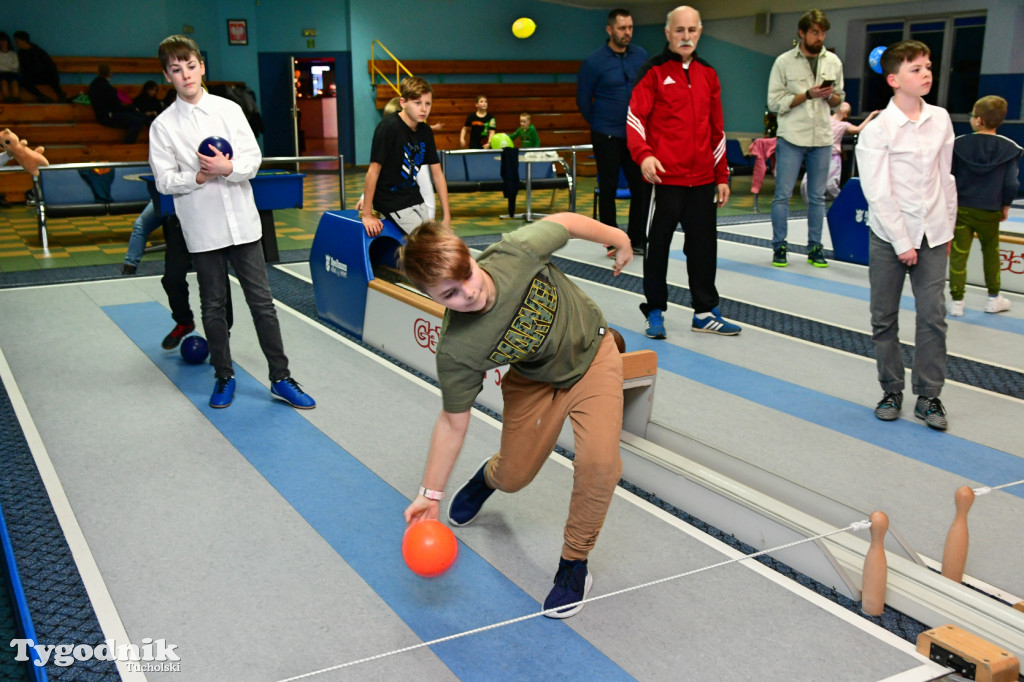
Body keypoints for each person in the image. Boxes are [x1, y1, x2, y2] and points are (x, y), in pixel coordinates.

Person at [398, 212, 632, 619]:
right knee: (514, 477)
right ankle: (489, 477)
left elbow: (566, 222)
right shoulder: (458, 350)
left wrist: (618, 237)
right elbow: (453, 421)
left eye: (467, 274)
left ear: (470, 257)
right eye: (449, 294)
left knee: (600, 463)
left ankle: (574, 564)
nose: (468, 293)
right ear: (433, 299)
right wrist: (429, 494)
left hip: (594, 356)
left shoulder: (516, 253)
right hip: (533, 381)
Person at [149, 34, 315, 410]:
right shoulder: (163, 126)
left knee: (262, 302)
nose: (186, 75)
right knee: (213, 305)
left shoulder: (229, 109)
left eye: (191, 66)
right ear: (167, 75)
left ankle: (281, 377)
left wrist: (229, 168)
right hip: (203, 228)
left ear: (202, 66)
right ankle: (224, 376)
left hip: (242, 224)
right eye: (176, 70)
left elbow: (252, 159)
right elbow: (163, 180)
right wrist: (199, 177)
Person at [855, 40, 956, 431]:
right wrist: (902, 242)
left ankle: (929, 396)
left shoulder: (942, 119)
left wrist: (945, 225)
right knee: (884, 318)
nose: (926, 73)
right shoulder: (878, 130)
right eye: (916, 68)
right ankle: (892, 389)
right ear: (894, 79)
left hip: (932, 233)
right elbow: (878, 194)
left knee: (933, 316)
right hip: (889, 237)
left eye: (928, 65)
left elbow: (946, 178)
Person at [626, 5, 740, 340]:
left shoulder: (708, 74)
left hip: (703, 179)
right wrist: (644, 156)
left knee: (704, 247)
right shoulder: (653, 72)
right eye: (680, 30)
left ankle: (705, 312)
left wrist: (722, 175)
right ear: (668, 33)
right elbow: (635, 118)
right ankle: (656, 311)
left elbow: (716, 129)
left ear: (700, 31)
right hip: (664, 180)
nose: (686, 36)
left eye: (692, 30)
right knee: (657, 247)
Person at [766, 10, 845, 268]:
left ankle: (815, 247)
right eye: (814, 32)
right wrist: (807, 95)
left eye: (822, 33)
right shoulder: (784, 62)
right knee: (782, 195)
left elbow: (839, 99)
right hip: (791, 136)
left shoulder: (833, 61)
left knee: (817, 196)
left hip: (821, 137)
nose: (819, 37)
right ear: (802, 33)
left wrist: (829, 96)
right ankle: (780, 247)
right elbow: (775, 102)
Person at [577, 8, 649, 257]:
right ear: (610, 30)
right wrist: (600, 122)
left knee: (641, 187)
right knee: (607, 187)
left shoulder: (641, 56)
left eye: (630, 28)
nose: (627, 33)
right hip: (606, 133)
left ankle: (638, 238)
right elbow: (584, 100)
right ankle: (611, 239)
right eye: (622, 28)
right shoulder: (594, 62)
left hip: (635, 135)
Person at [948, 95, 1022, 317]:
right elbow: (1011, 183)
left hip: (962, 209)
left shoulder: (959, 144)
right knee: (991, 252)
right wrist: (1006, 205)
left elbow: (949, 176)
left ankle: (957, 302)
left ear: (978, 120)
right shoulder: (1010, 148)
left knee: (959, 254)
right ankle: (993, 299)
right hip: (990, 210)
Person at [361, 77, 450, 236]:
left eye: (427, 103)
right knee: (427, 242)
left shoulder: (425, 132)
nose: (423, 109)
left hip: (413, 197)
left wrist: (447, 216)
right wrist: (367, 214)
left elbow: (437, 174)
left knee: (435, 238)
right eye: (417, 103)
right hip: (390, 201)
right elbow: (373, 172)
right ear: (403, 102)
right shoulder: (388, 128)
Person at [356, 96, 436, 220]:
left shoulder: (416, 153)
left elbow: (426, 190)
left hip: (413, 206)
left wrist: (428, 217)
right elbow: (381, 175)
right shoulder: (389, 137)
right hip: (395, 203)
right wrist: (364, 198)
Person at [800, 102, 878, 203]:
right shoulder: (825, 118)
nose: (842, 104)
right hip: (818, 156)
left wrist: (871, 115)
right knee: (805, 185)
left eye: (845, 106)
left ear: (846, 114)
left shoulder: (844, 125)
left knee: (831, 186)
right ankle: (812, 207)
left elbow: (858, 129)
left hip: (833, 158)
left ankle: (845, 204)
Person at [88, 64, 150, 144]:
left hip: (105, 114)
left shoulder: (95, 85)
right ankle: (127, 146)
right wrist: (130, 108)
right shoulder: (107, 88)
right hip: (108, 115)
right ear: (110, 73)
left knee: (139, 116)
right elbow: (116, 107)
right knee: (137, 121)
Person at [12, 31, 66, 103]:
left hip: (44, 75)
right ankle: (41, 96)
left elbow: (50, 65)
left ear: (23, 40)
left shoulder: (37, 51)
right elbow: (24, 69)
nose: (16, 43)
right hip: (33, 77)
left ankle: (60, 94)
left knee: (51, 75)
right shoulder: (21, 53)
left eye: (17, 41)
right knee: (22, 81)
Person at [0, 32, 19, 102]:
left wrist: (3, 65)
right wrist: (9, 66)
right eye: (0, 41)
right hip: (1, 74)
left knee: (14, 82)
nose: (2, 43)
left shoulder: (13, 54)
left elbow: (16, 67)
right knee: (3, 82)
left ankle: (16, 100)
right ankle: (7, 100)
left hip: (12, 73)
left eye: (4, 41)